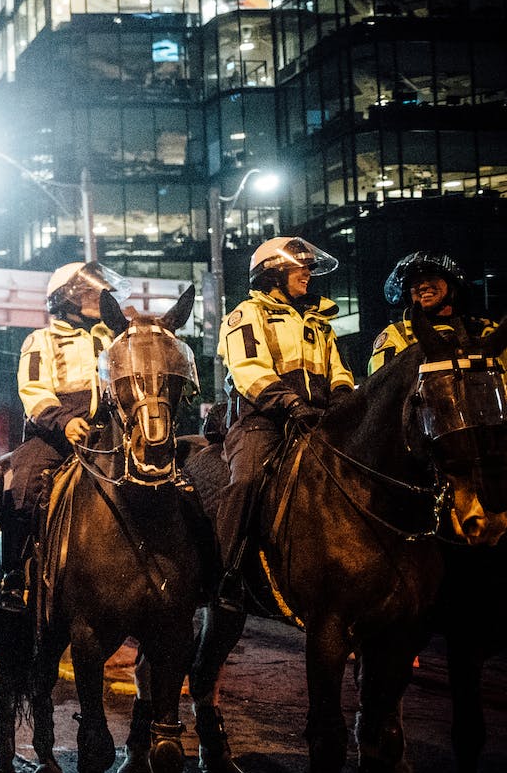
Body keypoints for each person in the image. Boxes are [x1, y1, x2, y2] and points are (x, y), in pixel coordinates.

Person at [214, 237, 355, 607]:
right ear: (274, 273)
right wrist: (289, 403)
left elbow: (339, 371)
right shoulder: (247, 315)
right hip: (263, 421)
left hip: (317, 420)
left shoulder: (320, 322)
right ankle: (225, 574)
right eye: (299, 267)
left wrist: (342, 401)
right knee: (246, 480)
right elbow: (248, 370)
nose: (307, 273)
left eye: (309, 266)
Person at [0, 260, 129, 612]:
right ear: (66, 299)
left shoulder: (112, 338)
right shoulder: (42, 339)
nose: (98, 295)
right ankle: (13, 574)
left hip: (108, 430)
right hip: (55, 435)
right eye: (89, 290)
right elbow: (35, 390)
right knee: (22, 485)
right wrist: (65, 421)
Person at [367, 252, 501, 374]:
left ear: (452, 285)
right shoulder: (396, 336)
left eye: (431, 277)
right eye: (415, 282)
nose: (423, 285)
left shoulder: (485, 331)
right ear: (408, 294)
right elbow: (380, 393)